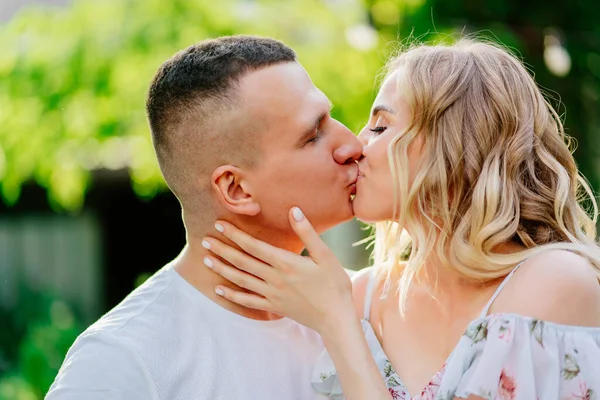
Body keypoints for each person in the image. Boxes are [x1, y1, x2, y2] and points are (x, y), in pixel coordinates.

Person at [202, 38, 600, 399]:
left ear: (455, 144)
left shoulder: (554, 283)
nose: (357, 145)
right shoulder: (361, 296)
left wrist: (337, 322)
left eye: (380, 125)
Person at [46, 35, 363, 400]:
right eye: (312, 136)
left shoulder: (368, 305)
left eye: (331, 117)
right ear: (236, 190)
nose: (351, 145)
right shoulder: (124, 360)